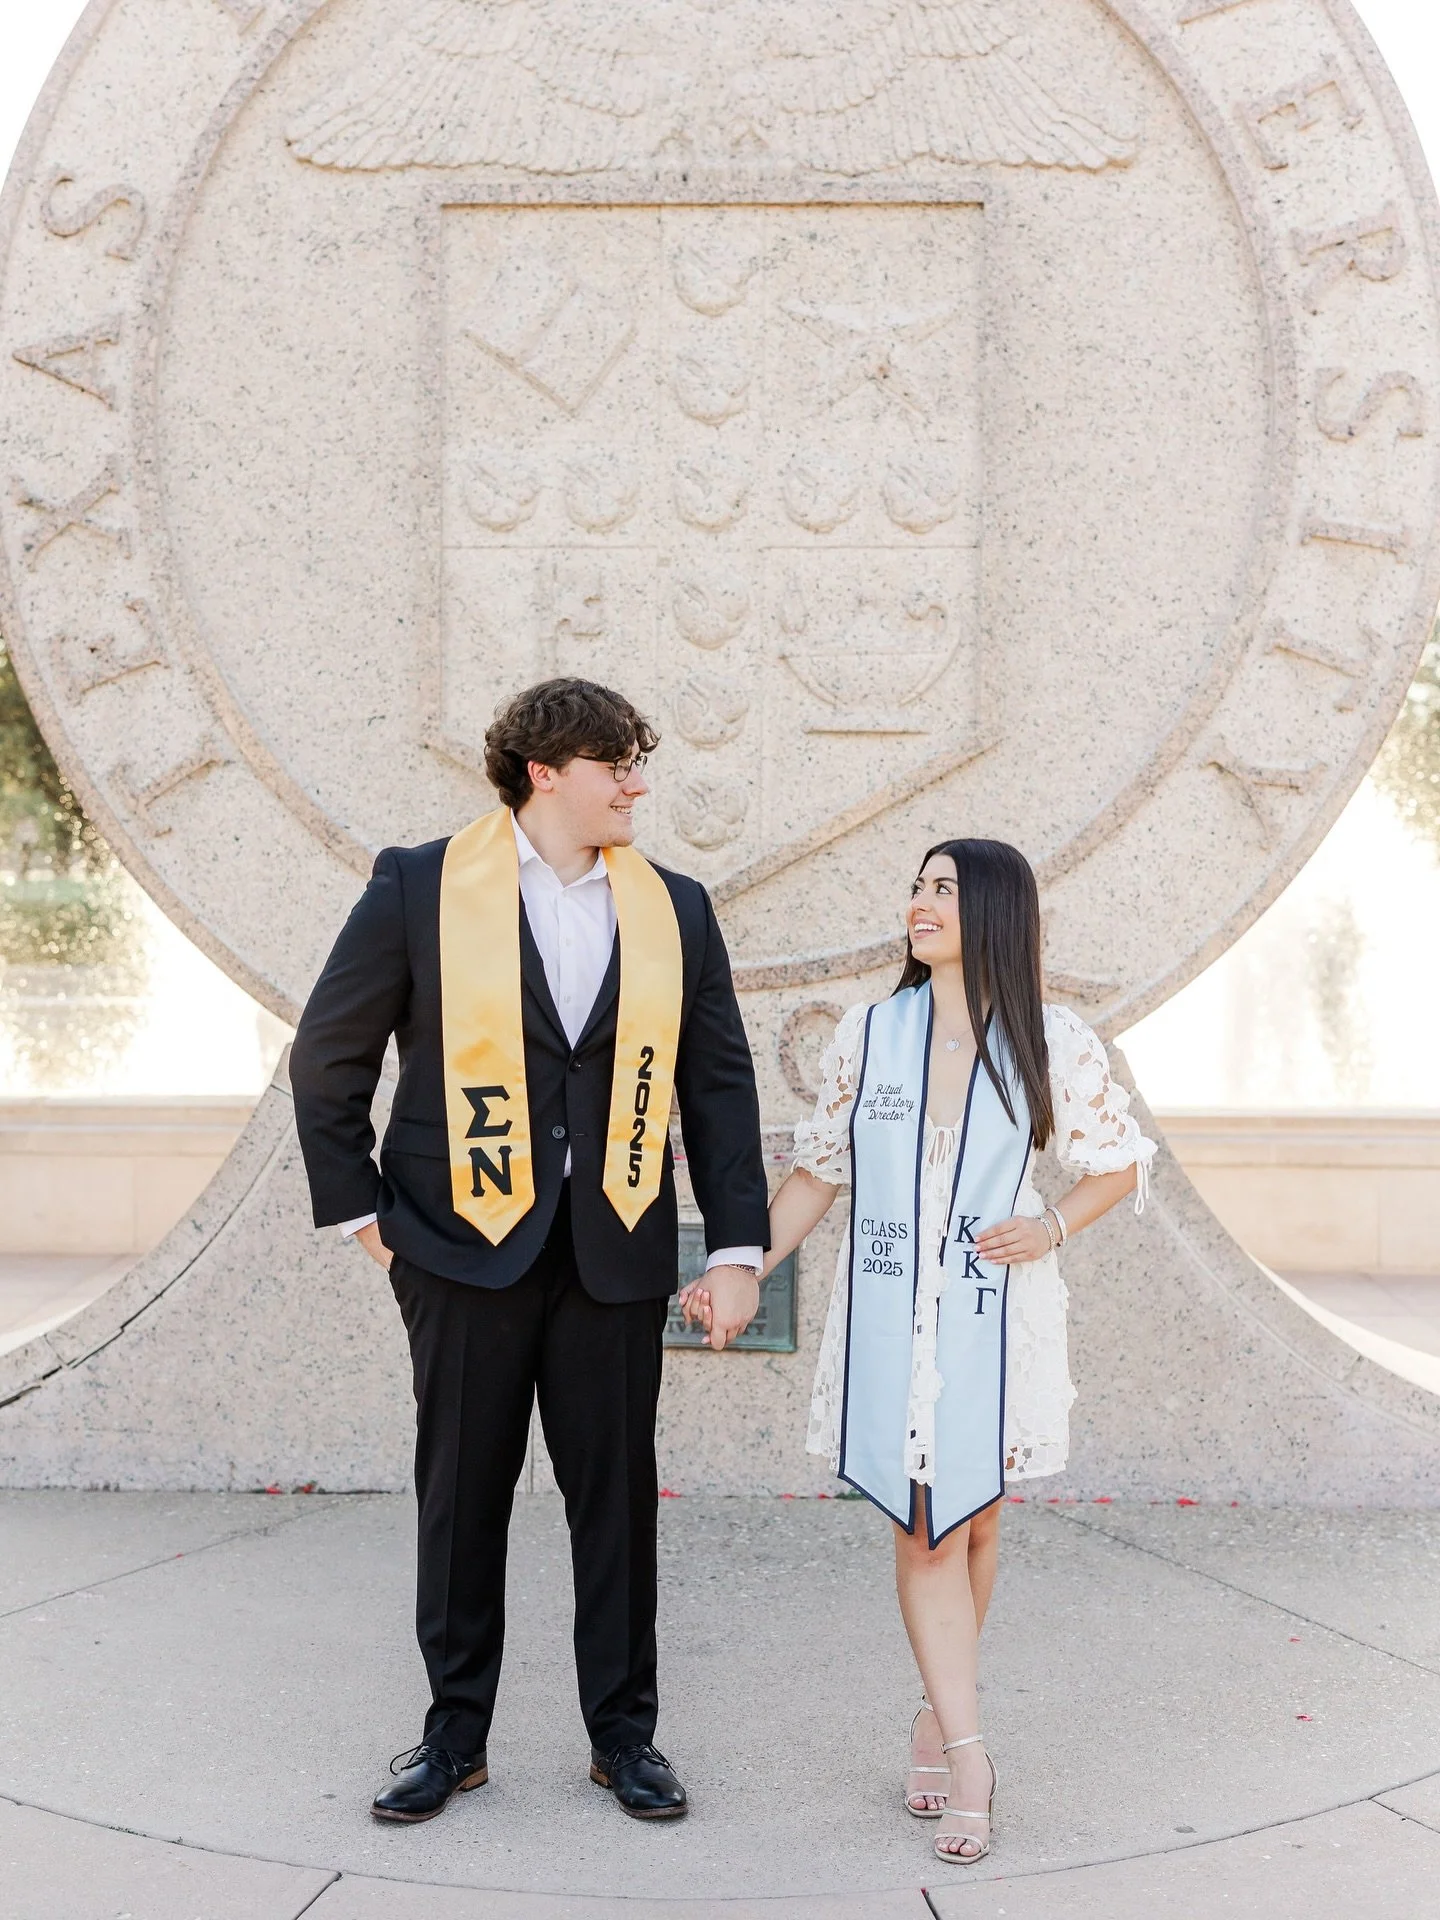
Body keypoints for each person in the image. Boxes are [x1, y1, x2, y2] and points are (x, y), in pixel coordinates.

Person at [289, 678, 768, 1826]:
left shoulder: (676, 907)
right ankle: (453, 1737)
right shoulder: (420, 885)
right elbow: (328, 1058)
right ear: (547, 772)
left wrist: (739, 1248)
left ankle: (625, 1739)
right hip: (459, 1252)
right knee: (462, 1500)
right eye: (618, 764)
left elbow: (717, 1086)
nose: (638, 784)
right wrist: (368, 1227)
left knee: (618, 1505)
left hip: (614, 1251)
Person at [686, 838, 1154, 1865]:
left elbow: (1119, 1163)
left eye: (944, 889)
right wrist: (749, 1266)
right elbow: (820, 1172)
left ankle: (937, 1715)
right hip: (894, 1309)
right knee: (928, 1527)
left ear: (992, 910)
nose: (920, 903)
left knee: (976, 1520)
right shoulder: (874, 1033)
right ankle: (974, 1753)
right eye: (917, 886)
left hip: (999, 1310)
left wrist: (1054, 1226)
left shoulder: (1052, 1038)